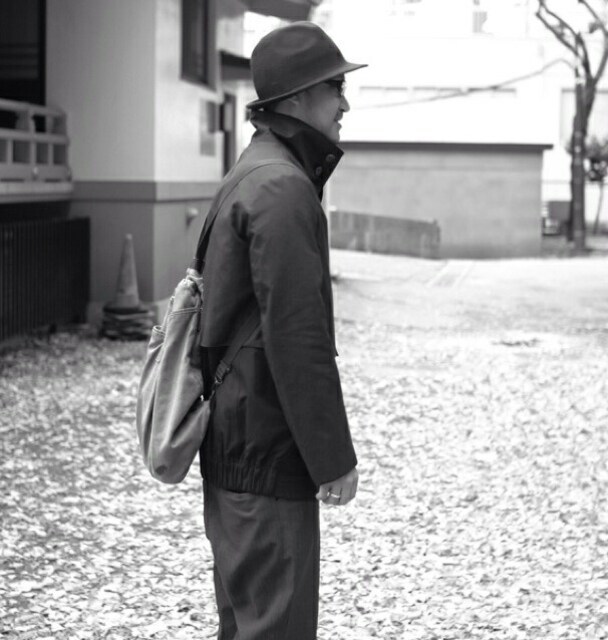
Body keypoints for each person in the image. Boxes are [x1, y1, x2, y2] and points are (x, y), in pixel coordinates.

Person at [198, 21, 366, 640]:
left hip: (237, 441)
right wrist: (332, 460)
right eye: (335, 87)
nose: (345, 104)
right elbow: (297, 340)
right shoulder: (282, 188)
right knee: (277, 627)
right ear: (296, 98)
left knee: (246, 622)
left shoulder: (254, 170)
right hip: (266, 451)